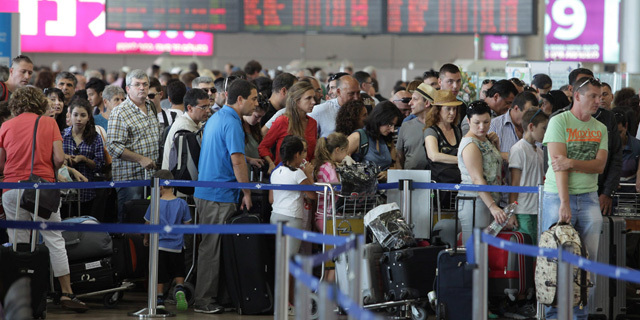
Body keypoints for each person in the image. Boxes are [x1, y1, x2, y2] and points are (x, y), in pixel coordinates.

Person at [0, 86, 88, 312]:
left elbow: (1, 164)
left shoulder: (6, 126)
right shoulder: (48, 123)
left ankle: (22, 295)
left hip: (10, 189)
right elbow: (59, 159)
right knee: (54, 239)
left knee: (18, 243)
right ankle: (67, 293)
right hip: (40, 188)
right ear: (39, 103)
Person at [542, 77, 608, 320]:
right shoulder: (559, 122)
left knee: (586, 265)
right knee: (555, 262)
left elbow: (600, 166)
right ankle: (553, 316)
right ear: (576, 96)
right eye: (593, 96)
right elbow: (558, 167)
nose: (598, 101)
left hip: (589, 197)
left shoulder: (600, 128)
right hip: (557, 197)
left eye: (600, 96)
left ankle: (581, 315)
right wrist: (564, 202)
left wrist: (571, 162)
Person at [193, 79, 257, 314]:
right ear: (239, 99)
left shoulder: (217, 118)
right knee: (211, 249)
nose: (256, 103)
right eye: (253, 98)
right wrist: (247, 191)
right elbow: (236, 159)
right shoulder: (231, 122)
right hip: (218, 194)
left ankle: (214, 296)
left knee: (214, 247)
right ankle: (203, 299)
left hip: (210, 191)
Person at [107, 69, 161, 222]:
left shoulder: (150, 106)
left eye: (145, 84)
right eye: (137, 85)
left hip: (150, 176)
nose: (142, 88)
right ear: (128, 89)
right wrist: (140, 159)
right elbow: (113, 147)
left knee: (148, 221)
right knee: (130, 223)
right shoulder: (120, 112)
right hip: (130, 178)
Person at [457, 100, 507, 243]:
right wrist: (493, 206)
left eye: (486, 122)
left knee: (485, 250)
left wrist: (496, 145)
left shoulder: (485, 140)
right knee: (475, 250)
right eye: (477, 122)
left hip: (488, 199)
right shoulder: (470, 144)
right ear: (468, 121)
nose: (482, 127)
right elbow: (477, 179)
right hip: (475, 200)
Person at [143, 170, 192, 311]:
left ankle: (159, 298)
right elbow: (188, 225)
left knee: (160, 274)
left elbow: (147, 224)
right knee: (179, 271)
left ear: (161, 187)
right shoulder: (182, 203)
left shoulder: (155, 204)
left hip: (160, 246)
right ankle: (180, 289)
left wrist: (146, 238)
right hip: (177, 246)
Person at [508, 108, 549, 243]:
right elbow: (514, 183)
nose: (546, 133)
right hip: (523, 210)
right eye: (543, 128)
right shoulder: (518, 149)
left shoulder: (540, 151)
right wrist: (512, 212)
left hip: (538, 209)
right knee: (525, 253)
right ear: (531, 126)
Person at [259, 82, 318, 173]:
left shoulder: (312, 123)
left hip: (306, 176)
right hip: (285, 174)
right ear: (296, 100)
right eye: (308, 98)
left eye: (314, 97)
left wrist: (312, 169)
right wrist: (271, 163)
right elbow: (263, 147)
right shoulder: (282, 121)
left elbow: (313, 153)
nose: (314, 102)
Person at [62, 99, 105, 217]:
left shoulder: (95, 138)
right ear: (70, 116)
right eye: (75, 115)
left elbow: (100, 165)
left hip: (86, 191)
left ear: (89, 117)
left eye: (83, 115)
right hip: (64, 190)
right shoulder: (62, 135)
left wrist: (84, 159)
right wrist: (65, 159)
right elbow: (55, 159)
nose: (79, 119)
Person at [347, 101, 400, 181]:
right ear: (380, 119)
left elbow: (395, 166)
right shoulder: (358, 137)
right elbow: (339, 161)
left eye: (394, 126)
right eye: (389, 124)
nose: (392, 130)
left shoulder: (388, 139)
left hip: (384, 190)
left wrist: (387, 173)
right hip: (361, 189)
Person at [160, 88, 210, 170]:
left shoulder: (197, 123)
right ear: (190, 108)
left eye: (208, 106)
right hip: (177, 179)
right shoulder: (184, 128)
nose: (208, 110)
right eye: (203, 107)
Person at [424, 88, 463, 186]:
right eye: (448, 109)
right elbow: (433, 156)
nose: (452, 113)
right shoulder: (431, 131)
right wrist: (460, 160)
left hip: (458, 182)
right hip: (440, 184)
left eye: (454, 109)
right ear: (437, 110)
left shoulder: (457, 130)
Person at [313, 132, 349, 232]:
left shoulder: (322, 165)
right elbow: (336, 188)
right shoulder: (330, 167)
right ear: (337, 150)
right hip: (330, 215)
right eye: (346, 151)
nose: (347, 154)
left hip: (321, 214)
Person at [243, 99, 267, 170]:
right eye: (256, 116)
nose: (259, 120)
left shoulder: (255, 128)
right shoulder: (236, 127)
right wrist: (250, 160)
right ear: (250, 111)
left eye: (261, 117)